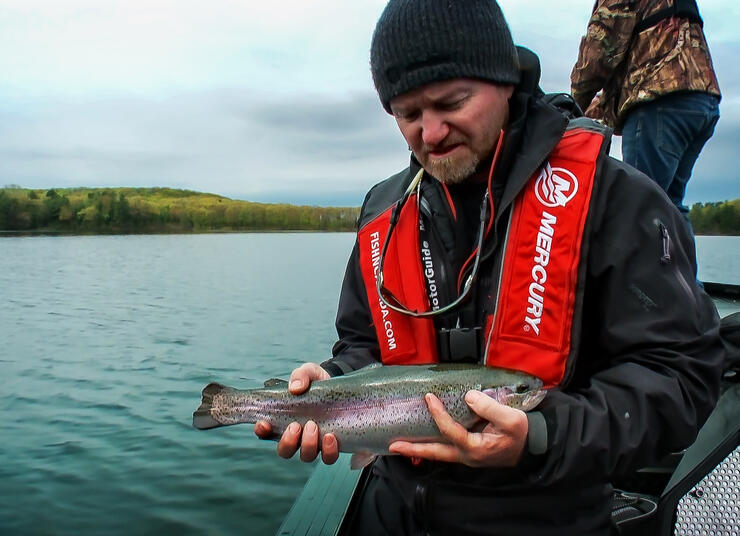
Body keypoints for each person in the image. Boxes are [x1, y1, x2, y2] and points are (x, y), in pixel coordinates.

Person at [255, 1, 725, 534]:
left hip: (547, 517)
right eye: (408, 115)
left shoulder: (615, 200)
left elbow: (682, 375)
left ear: (505, 80)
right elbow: (363, 345)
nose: (430, 134)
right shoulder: (382, 215)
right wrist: (333, 380)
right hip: (395, 512)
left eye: (451, 102)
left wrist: (543, 433)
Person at [571, 0, 721, 224]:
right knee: (670, 207)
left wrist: (571, 106)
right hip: (701, 101)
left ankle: (637, 258)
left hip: (661, 105)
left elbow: (599, 52)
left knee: (638, 208)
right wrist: (590, 112)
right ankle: (682, 259)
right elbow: (647, 60)